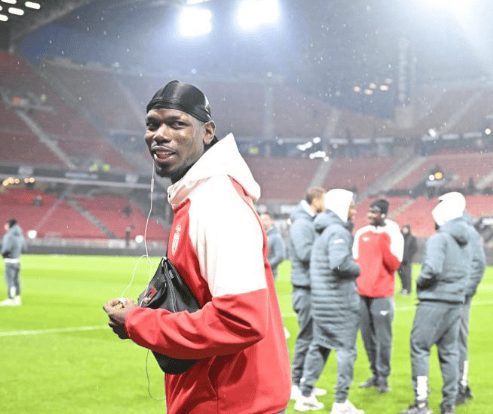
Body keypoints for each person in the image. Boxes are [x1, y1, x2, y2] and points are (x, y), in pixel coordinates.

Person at [102, 80, 291, 414]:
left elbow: (241, 320)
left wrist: (138, 323)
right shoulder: (198, 199)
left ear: (207, 132)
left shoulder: (217, 203)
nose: (159, 134)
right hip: (224, 399)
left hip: (229, 404)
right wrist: (145, 313)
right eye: (152, 125)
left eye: (177, 124)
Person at [400, 192, 471, 414]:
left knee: (420, 348)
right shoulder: (465, 239)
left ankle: (421, 404)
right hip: (455, 303)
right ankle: (448, 405)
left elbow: (431, 270)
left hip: (434, 301)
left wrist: (419, 282)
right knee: (449, 352)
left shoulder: (439, 239)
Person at [295, 189, 364, 414]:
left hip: (322, 302)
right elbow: (340, 263)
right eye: (351, 206)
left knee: (320, 347)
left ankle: (305, 395)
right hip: (340, 303)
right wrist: (358, 267)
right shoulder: (337, 231)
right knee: (346, 351)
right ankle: (340, 403)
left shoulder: (323, 229)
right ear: (342, 207)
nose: (354, 210)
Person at [353, 198, 404, 394]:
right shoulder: (361, 233)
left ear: (384, 214)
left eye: (374, 212)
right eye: (369, 211)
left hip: (382, 294)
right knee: (367, 338)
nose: (370, 215)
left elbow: (394, 264)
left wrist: (383, 242)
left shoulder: (393, 233)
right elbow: (355, 260)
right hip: (362, 294)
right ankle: (375, 374)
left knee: (383, 339)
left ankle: (383, 377)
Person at [288, 187, 328, 402]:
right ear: (316, 200)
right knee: (306, 337)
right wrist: (327, 251)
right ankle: (296, 383)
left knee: (313, 336)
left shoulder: (306, 220)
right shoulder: (302, 223)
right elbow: (305, 253)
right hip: (305, 289)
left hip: (310, 286)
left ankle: (305, 382)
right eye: (324, 200)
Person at [455, 211, 486, 405]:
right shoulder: (457, 229)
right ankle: (458, 384)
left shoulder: (467, 231)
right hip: (449, 294)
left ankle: (460, 385)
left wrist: (465, 291)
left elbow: (479, 263)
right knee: (451, 342)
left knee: (456, 340)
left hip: (458, 296)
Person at [0, 218, 25, 306]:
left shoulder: (9, 235)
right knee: (16, 280)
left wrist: (3, 255)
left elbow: (6, 248)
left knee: (10, 280)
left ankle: (10, 298)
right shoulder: (20, 235)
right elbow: (24, 248)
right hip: (17, 260)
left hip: (10, 260)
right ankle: (17, 298)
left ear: (9, 225)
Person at [260, 212, 287, 280]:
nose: (262, 222)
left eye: (265, 219)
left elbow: (280, 256)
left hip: (269, 272)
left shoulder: (276, 236)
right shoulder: (259, 234)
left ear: (272, 221)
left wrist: (266, 265)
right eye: (261, 219)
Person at [399, 224, 418, 295]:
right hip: (400, 259)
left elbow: (414, 248)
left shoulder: (412, 238)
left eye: (406, 229)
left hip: (407, 260)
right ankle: (404, 288)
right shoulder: (401, 237)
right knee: (401, 274)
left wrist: (408, 257)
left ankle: (408, 290)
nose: (404, 230)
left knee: (407, 275)